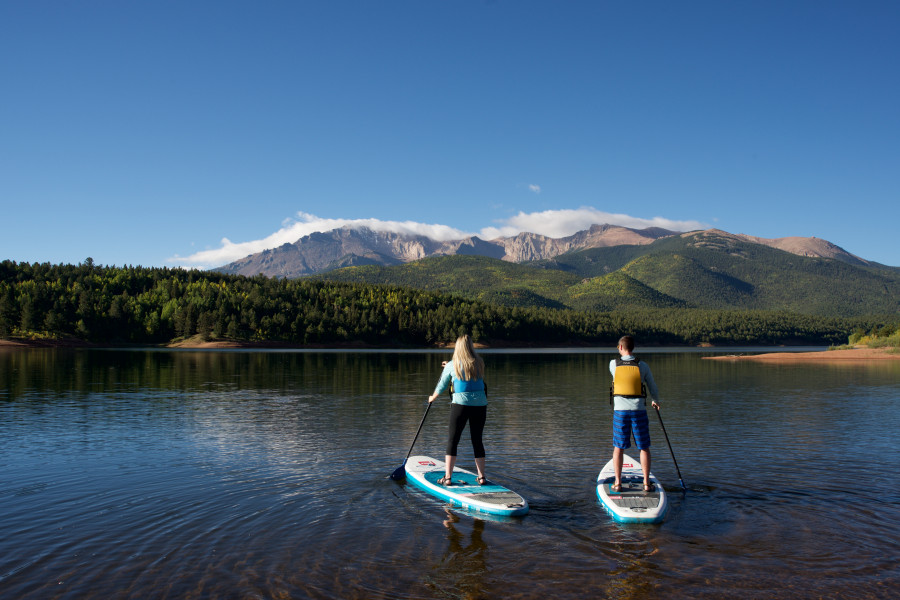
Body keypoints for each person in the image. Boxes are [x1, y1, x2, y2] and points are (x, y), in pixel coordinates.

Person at [428, 334, 488, 486]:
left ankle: (447, 478)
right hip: (480, 405)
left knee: (453, 440)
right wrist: (449, 365)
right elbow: (467, 369)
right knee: (477, 440)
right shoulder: (480, 362)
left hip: (460, 405)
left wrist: (433, 397)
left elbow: (442, 384)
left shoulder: (451, 366)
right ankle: (481, 477)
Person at [609, 335, 660, 492]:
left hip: (620, 412)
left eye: (618, 347)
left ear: (621, 347)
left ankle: (618, 483)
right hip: (639, 410)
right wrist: (655, 400)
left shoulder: (613, 364)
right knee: (643, 447)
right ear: (633, 348)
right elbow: (652, 387)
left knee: (619, 447)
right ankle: (646, 483)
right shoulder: (643, 366)